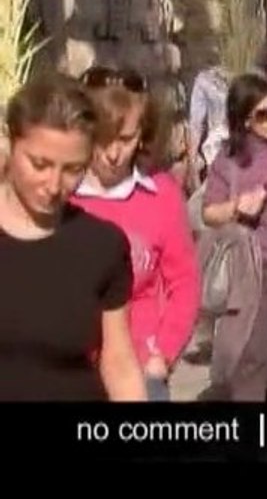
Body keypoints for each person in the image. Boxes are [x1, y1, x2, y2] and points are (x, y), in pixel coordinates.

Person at [0, 73, 146, 401]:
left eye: (72, 170)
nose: (53, 185)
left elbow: (119, 362)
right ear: (11, 143)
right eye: (40, 164)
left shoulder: (102, 246)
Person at [69, 66, 201, 401]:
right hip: (72, 371)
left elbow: (183, 282)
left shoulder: (162, 194)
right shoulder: (61, 193)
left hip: (142, 370)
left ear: (142, 135)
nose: (113, 154)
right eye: (102, 139)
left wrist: (163, 355)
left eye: (125, 139)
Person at [202, 73, 267, 400]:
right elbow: (209, 212)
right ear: (244, 118)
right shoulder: (229, 160)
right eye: (263, 114)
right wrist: (237, 206)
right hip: (253, 271)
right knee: (251, 359)